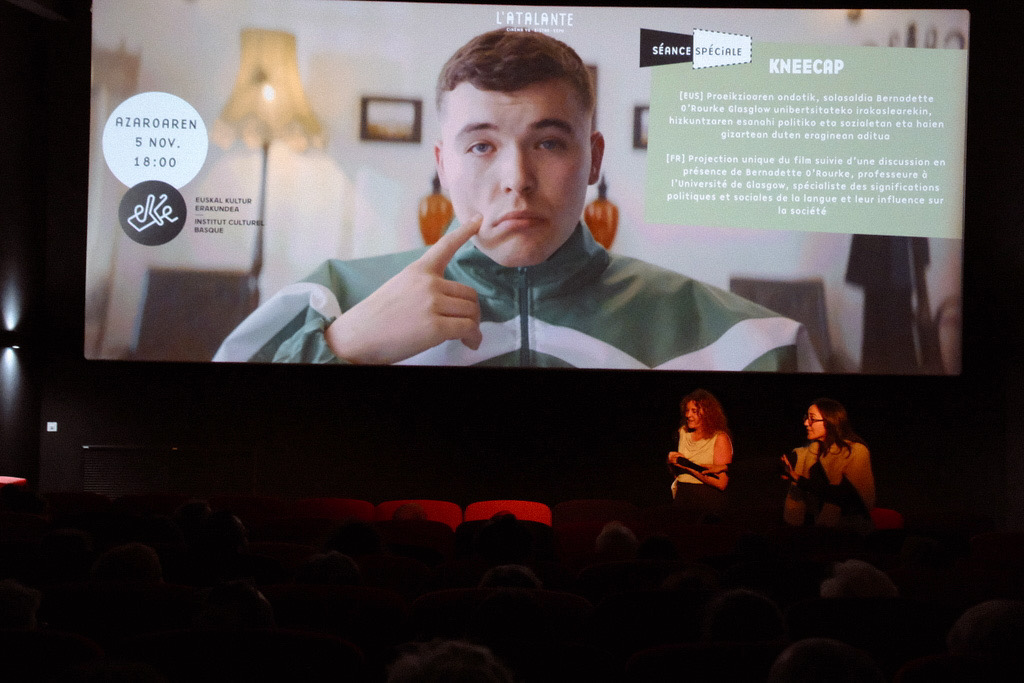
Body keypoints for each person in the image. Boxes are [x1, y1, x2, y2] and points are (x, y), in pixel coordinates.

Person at [215, 29, 820, 370]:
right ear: (443, 165)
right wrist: (339, 347)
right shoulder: (326, 301)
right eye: (481, 146)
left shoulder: (755, 344)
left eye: (549, 143)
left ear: (594, 159)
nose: (517, 179)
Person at [781, 398, 875, 531]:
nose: (806, 423)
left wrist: (799, 480)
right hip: (819, 529)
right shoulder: (809, 453)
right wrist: (784, 469)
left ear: (830, 421)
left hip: (851, 530)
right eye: (806, 418)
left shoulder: (855, 451)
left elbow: (847, 498)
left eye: (812, 419)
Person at [667, 389, 733, 514]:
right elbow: (676, 472)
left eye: (694, 411)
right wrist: (671, 461)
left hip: (706, 500)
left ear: (707, 413)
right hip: (683, 496)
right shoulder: (682, 432)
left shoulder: (719, 438)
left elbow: (721, 482)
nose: (688, 415)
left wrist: (686, 465)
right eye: (687, 410)